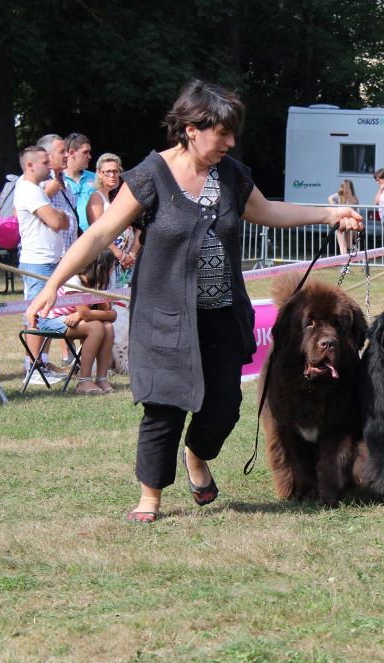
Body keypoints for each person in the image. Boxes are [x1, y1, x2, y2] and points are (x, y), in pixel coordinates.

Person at [26, 79, 364, 523]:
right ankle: (150, 497)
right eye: (221, 133)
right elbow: (101, 233)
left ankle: (197, 455)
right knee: (163, 407)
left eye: (232, 134)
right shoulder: (150, 176)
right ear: (189, 128)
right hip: (164, 317)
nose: (229, 142)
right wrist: (53, 284)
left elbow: (267, 212)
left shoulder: (231, 175)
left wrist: (329, 213)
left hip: (222, 316)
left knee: (223, 409)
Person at [15, 145, 71, 386]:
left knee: (46, 311)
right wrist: (60, 215)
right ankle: (33, 366)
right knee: (36, 315)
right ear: (30, 165)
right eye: (45, 163)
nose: (50, 167)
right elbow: (57, 222)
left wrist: (60, 216)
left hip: (49, 260)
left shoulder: (36, 190)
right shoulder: (29, 190)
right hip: (37, 261)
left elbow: (59, 220)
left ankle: (42, 362)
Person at [38, 250, 118, 395]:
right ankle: (84, 380)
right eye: (113, 265)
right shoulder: (74, 280)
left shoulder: (100, 282)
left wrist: (81, 315)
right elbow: (88, 314)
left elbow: (109, 315)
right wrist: (83, 315)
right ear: (102, 266)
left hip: (75, 320)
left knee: (107, 327)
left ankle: (101, 378)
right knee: (96, 327)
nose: (114, 269)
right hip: (51, 320)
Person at [86, 153, 137, 288]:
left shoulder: (125, 196)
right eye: (108, 172)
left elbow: (139, 228)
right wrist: (120, 255)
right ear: (99, 173)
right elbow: (98, 232)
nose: (112, 175)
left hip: (129, 259)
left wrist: (132, 254)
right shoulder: (97, 197)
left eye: (115, 171)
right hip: (108, 260)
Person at [63, 133, 96, 229]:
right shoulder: (58, 179)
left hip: (96, 236)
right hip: (69, 238)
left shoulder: (95, 178)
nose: (89, 156)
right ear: (71, 152)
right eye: (85, 152)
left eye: (89, 152)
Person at [328, 179, 359, 255]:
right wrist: (335, 208)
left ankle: (347, 260)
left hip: (346, 222)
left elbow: (355, 204)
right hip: (344, 222)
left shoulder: (352, 197)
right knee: (344, 244)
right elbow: (330, 198)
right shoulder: (340, 195)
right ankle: (346, 260)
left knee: (346, 244)